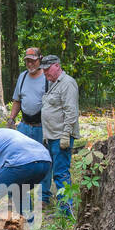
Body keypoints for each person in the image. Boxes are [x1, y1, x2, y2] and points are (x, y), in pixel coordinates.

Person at [39, 54, 79, 215]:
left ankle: (66, 210)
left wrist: (66, 134)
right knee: (49, 170)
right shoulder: (52, 83)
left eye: (47, 69)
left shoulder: (67, 83)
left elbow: (71, 111)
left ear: (57, 66)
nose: (45, 73)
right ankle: (58, 204)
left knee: (61, 173)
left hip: (61, 136)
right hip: (50, 136)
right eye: (43, 70)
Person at [8, 47, 47, 146]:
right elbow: (17, 100)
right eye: (27, 61)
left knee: (41, 156)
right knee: (22, 155)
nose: (30, 64)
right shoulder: (23, 76)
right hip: (24, 126)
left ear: (40, 59)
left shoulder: (47, 77)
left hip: (42, 127)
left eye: (33, 61)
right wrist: (11, 118)